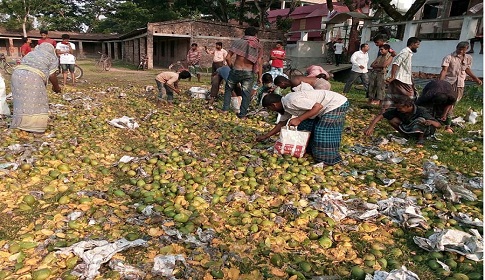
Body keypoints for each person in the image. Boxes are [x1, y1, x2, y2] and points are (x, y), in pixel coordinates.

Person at [256, 90, 349, 166]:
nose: (271, 111)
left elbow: (317, 106)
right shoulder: (286, 106)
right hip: (326, 107)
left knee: (322, 131)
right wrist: (266, 136)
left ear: (273, 105)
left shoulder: (291, 101)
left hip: (335, 104)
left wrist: (299, 119)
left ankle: (328, 160)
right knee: (307, 128)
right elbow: (282, 123)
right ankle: (313, 152)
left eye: (270, 108)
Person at [10, 43, 61, 133]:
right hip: (33, 76)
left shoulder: (31, 53)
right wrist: (56, 88)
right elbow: (52, 75)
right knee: (37, 101)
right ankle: (35, 127)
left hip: (17, 74)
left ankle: (20, 124)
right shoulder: (52, 57)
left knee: (22, 101)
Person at [364, 95, 441, 146]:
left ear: (408, 106)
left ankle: (420, 139)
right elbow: (380, 116)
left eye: (400, 108)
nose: (398, 110)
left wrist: (431, 122)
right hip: (410, 127)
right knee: (392, 120)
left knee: (420, 120)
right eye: (397, 108)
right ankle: (406, 136)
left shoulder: (421, 110)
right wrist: (370, 127)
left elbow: (438, 125)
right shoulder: (398, 110)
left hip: (425, 131)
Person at [222, 26, 263, 119]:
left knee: (228, 89)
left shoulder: (237, 42)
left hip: (236, 69)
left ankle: (225, 110)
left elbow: (228, 58)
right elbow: (259, 63)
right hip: (248, 72)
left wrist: (232, 68)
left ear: (245, 34)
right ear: (256, 35)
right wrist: (259, 77)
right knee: (246, 94)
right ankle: (242, 115)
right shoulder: (258, 46)